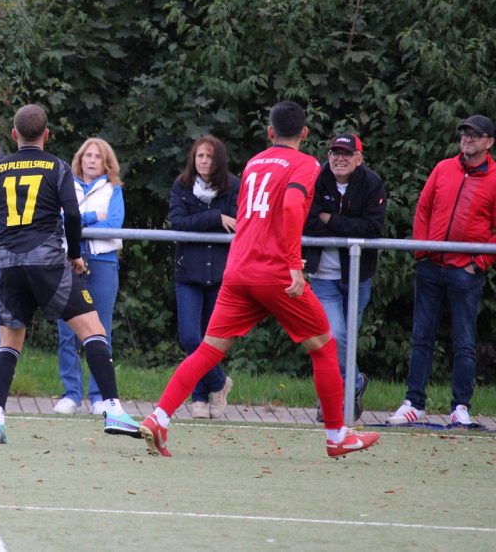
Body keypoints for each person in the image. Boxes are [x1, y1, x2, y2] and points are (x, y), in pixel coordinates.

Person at [140, 101, 380, 458]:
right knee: (325, 347)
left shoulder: (254, 162)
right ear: (305, 133)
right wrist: (294, 265)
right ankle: (336, 437)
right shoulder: (305, 163)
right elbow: (292, 206)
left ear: (270, 132)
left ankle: (159, 417)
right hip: (275, 272)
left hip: (238, 269)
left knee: (208, 349)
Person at [0, 104, 141, 444]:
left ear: (13, 135)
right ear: (46, 135)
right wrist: (75, 255)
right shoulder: (57, 167)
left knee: (10, 343)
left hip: (10, 266)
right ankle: (112, 409)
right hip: (48, 263)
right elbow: (73, 216)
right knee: (93, 330)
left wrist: (1, 251)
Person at [387, 114, 496, 427]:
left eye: (474, 135)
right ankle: (414, 404)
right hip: (431, 267)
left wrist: (478, 263)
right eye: (464, 134)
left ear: (489, 142)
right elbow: (423, 208)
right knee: (421, 337)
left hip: (466, 273)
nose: (467, 139)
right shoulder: (443, 168)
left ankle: (460, 407)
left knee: (464, 341)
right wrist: (423, 251)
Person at [304, 132, 387, 422]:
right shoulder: (316, 178)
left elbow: (372, 228)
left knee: (347, 337)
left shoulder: (372, 182)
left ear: (358, 159)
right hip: (322, 275)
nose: (339, 158)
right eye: (334, 153)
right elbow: (307, 223)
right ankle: (346, 388)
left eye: (346, 154)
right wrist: (346, 225)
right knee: (333, 336)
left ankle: (338, 396)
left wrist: (331, 220)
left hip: (358, 275)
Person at [168, 135, 239, 420]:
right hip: (188, 272)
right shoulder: (181, 185)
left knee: (211, 341)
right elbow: (178, 223)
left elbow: (237, 222)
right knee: (190, 337)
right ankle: (219, 383)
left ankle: (200, 398)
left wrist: (215, 219)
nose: (204, 161)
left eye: (209, 156)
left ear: (218, 159)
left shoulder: (233, 186)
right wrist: (214, 218)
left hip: (221, 273)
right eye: (200, 156)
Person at [53, 137, 126, 416]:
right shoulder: (64, 185)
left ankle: (99, 396)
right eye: (88, 155)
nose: (92, 160)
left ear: (106, 163)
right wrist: (94, 215)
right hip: (67, 262)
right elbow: (58, 220)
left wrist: (76, 220)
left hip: (102, 263)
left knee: (100, 330)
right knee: (67, 332)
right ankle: (71, 394)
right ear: (80, 159)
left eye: (97, 156)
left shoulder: (113, 189)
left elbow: (113, 224)